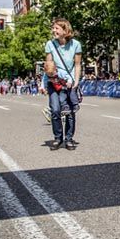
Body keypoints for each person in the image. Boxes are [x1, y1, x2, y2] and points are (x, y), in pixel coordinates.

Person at [44, 18, 83, 150]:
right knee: (55, 110)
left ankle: (69, 139)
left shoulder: (76, 44)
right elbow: (48, 66)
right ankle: (58, 138)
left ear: (65, 30)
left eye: (56, 28)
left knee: (69, 112)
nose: (53, 30)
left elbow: (77, 64)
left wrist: (76, 81)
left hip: (69, 83)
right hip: (54, 82)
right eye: (53, 28)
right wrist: (44, 83)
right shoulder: (50, 44)